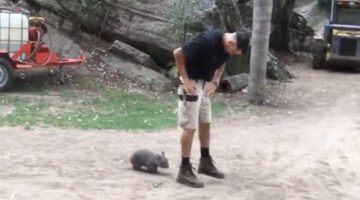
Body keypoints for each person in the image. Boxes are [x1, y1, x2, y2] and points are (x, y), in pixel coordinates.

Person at [173, 29, 250, 188]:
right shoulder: (207, 41)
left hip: (205, 85)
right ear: (231, 42)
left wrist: (215, 81)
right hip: (192, 85)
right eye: (234, 51)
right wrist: (185, 80)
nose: (232, 54)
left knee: (205, 123)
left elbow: (223, 62)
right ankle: (184, 169)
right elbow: (178, 53)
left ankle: (205, 162)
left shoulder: (226, 47)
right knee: (190, 127)